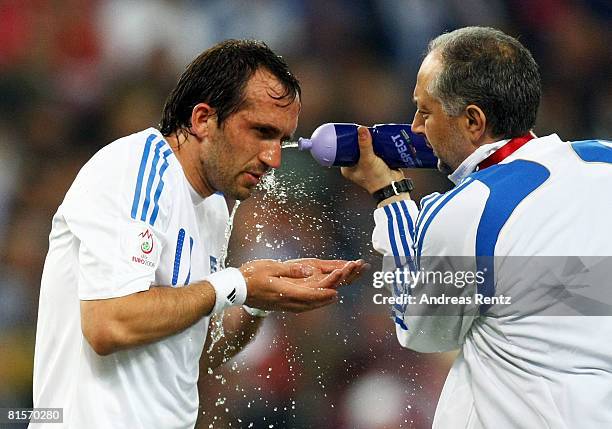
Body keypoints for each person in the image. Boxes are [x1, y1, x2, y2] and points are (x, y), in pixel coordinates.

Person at [31, 39, 364, 429]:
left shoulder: (211, 209)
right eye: (261, 131)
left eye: (281, 140)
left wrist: (260, 299)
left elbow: (190, 357)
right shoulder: (137, 168)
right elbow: (109, 323)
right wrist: (237, 282)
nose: (274, 159)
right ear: (203, 119)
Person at [342, 27, 612, 428]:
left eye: (425, 111)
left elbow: (418, 329)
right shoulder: (603, 160)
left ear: (473, 121)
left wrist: (390, 195)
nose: (415, 127)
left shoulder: (469, 209)